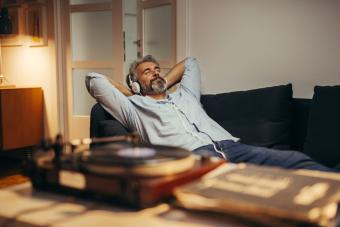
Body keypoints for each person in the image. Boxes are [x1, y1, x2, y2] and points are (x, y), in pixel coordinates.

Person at [86, 55, 337, 172]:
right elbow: (93, 80)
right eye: (147, 72)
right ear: (135, 81)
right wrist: (136, 93)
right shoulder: (135, 109)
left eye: (157, 69)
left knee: (298, 163)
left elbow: (191, 62)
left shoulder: (186, 96)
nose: (155, 73)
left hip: (234, 147)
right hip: (194, 159)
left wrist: (159, 80)